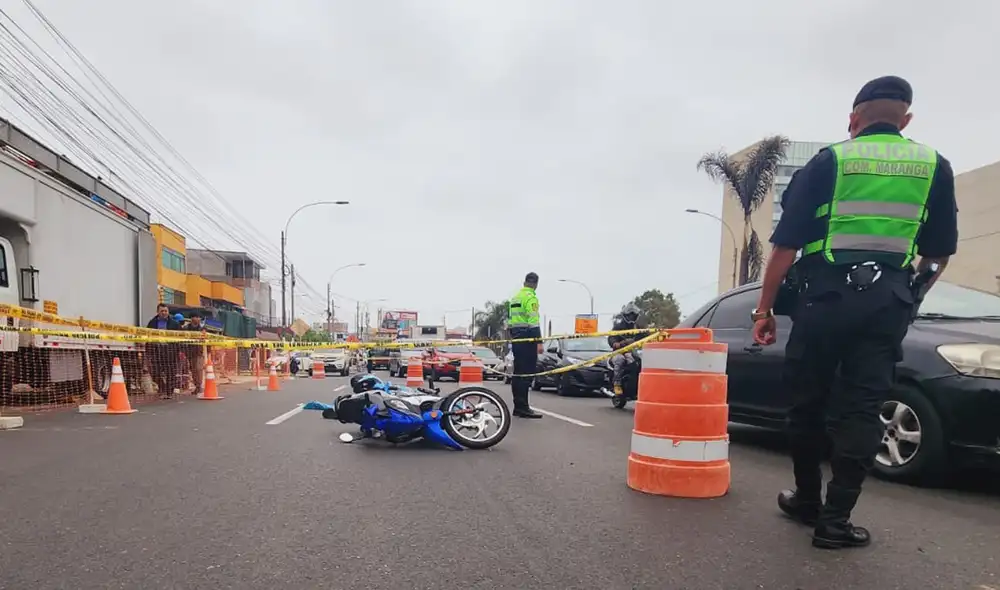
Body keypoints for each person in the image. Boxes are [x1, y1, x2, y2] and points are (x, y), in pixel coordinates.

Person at [751, 76, 957, 550]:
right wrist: (910, 296)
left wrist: (764, 309)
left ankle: (806, 499)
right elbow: (938, 253)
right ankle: (836, 521)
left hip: (823, 298)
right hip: (887, 301)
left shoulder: (831, 160)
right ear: (905, 120)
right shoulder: (933, 166)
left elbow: (785, 246)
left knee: (807, 402)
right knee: (863, 409)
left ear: (853, 119)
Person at [507, 272, 543, 419]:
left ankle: (518, 406)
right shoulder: (531, 298)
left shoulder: (515, 297)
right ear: (535, 284)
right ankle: (523, 407)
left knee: (518, 373)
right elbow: (533, 322)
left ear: (524, 282)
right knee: (526, 374)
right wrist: (539, 342)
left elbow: (510, 322)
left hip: (516, 338)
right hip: (527, 338)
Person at [145, 304, 182, 397]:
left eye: (166, 311)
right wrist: (148, 351)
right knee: (154, 372)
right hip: (156, 350)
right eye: (162, 311)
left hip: (170, 350)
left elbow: (181, 337)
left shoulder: (174, 324)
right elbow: (147, 337)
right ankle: (163, 387)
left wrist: (178, 350)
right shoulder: (152, 323)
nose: (164, 313)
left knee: (170, 372)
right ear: (158, 312)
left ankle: (169, 392)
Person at [608, 302, 641, 396]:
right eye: (630, 315)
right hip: (618, 352)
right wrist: (618, 343)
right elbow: (612, 339)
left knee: (635, 361)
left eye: (633, 315)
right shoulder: (618, 327)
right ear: (625, 315)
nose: (632, 317)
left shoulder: (637, 328)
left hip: (632, 352)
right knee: (619, 360)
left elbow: (645, 336)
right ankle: (617, 384)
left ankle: (636, 384)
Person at [183, 312, 207, 395]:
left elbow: (206, 339)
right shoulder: (186, 328)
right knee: (193, 370)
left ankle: (199, 386)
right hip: (189, 352)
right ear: (191, 318)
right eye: (195, 317)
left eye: (198, 317)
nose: (197, 319)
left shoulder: (202, 328)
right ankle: (197, 386)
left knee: (198, 369)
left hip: (200, 352)